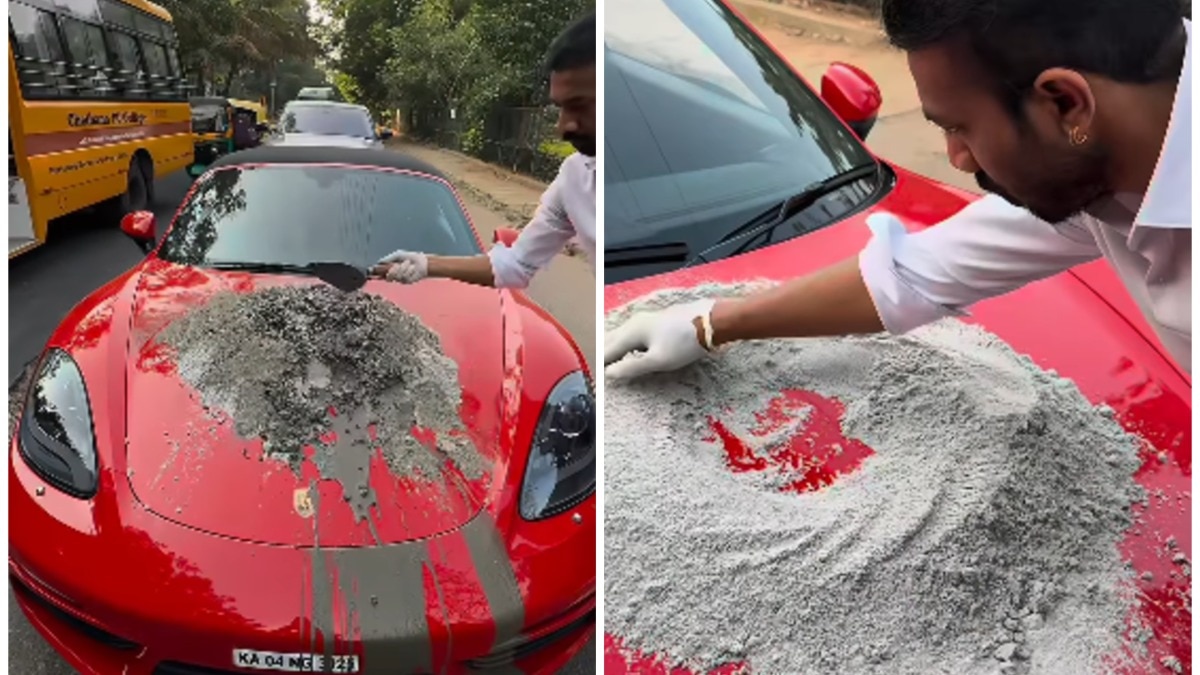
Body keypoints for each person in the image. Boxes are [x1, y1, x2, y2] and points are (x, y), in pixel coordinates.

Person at [605, 0, 1192, 379]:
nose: (957, 160)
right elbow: (916, 271)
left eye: (959, 128)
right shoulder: (1097, 165)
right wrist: (710, 323)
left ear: (1065, 102)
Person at [373, 12, 596, 289]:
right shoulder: (573, 179)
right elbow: (516, 264)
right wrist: (426, 264)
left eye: (580, 105)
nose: (563, 127)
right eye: (560, 108)